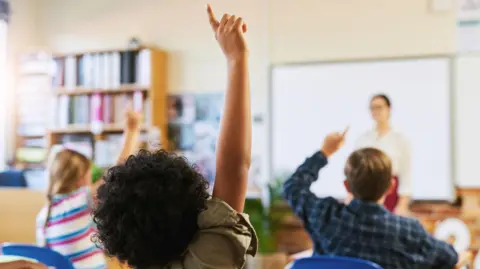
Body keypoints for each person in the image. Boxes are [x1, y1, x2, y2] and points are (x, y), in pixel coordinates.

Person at [92, 4, 256, 269]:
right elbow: (235, 165)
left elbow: (235, 168)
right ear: (198, 217)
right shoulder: (208, 261)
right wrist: (237, 58)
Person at [282, 130, 470, 269]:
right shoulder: (407, 232)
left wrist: (325, 151)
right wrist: (465, 255)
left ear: (347, 186)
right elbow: (449, 259)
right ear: (391, 187)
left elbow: (293, 187)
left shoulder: (324, 215)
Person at [36, 109, 142, 269]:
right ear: (80, 179)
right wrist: (132, 131)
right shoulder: (80, 201)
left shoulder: (43, 216)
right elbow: (117, 175)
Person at [355, 94, 410, 214]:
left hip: (390, 193)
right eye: (372, 108)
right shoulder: (363, 139)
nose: (376, 111)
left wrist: (402, 204)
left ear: (388, 109)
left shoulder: (400, 140)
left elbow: (406, 174)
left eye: (379, 107)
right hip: (366, 193)